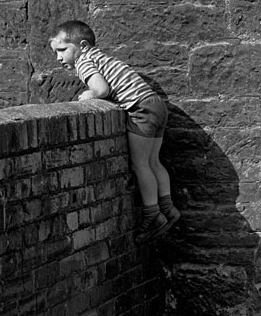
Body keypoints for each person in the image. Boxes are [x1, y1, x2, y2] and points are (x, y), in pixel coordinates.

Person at [49, 20, 181, 244]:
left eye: (62, 50)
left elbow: (102, 89)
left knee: (140, 165)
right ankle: (168, 208)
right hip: (155, 105)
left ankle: (153, 215)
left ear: (82, 45)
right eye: (56, 53)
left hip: (140, 109)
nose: (59, 58)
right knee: (154, 161)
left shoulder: (85, 60)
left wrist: (90, 95)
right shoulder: (102, 57)